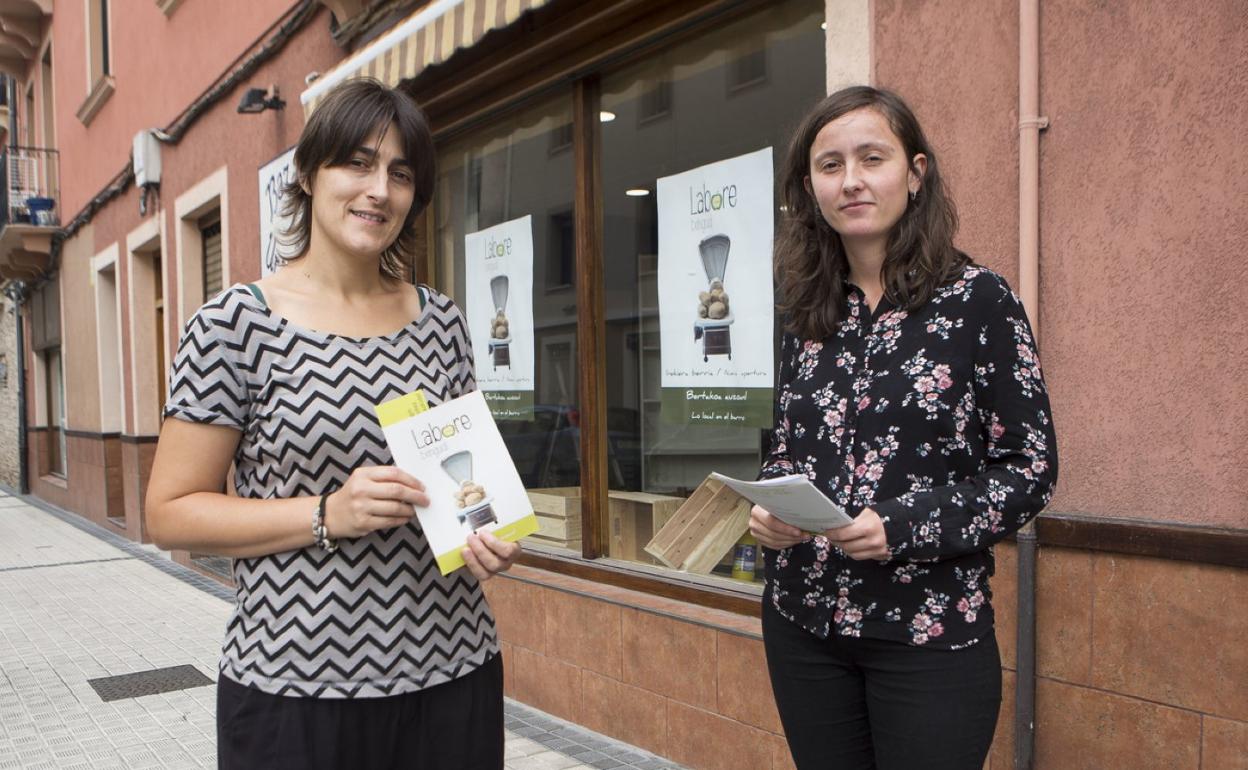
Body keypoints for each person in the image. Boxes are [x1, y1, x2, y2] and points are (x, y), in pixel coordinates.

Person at [146, 78, 520, 770]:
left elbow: (463, 479)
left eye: (400, 174)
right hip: (296, 690)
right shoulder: (235, 325)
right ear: (308, 175)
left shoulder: (441, 322)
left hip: (454, 672)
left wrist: (487, 533)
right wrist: (328, 513)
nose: (379, 190)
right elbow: (170, 513)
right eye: (357, 163)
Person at [751, 85, 1057, 770]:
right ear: (810, 188)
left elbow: (1029, 468)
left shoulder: (979, 301)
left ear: (915, 174)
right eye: (830, 165)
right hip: (803, 625)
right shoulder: (802, 309)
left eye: (872, 158)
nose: (851, 181)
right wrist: (772, 504)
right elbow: (789, 445)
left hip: (928, 632)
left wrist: (903, 525)